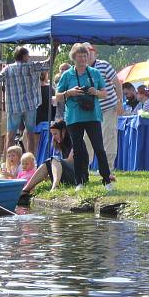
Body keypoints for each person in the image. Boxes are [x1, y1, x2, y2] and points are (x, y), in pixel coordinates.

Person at [54, 43, 112, 191]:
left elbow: (105, 93)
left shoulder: (94, 72)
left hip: (92, 115)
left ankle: (107, 180)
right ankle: (79, 181)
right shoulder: (67, 75)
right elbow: (57, 97)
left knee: (99, 148)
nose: (83, 59)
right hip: (74, 117)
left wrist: (95, 92)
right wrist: (70, 92)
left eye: (85, 56)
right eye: (80, 56)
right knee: (78, 150)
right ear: (74, 57)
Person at [0, 47, 50, 155]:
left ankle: (9, 160)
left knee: (11, 135)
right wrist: (54, 48)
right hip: (30, 105)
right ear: (23, 56)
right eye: (28, 55)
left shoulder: (8, 68)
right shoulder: (32, 66)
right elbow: (49, 63)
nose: (29, 57)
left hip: (13, 106)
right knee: (30, 135)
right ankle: (31, 159)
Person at [17, 120, 77, 202]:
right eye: (52, 134)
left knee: (54, 159)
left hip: (77, 176)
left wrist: (54, 163)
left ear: (63, 131)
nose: (53, 137)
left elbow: (70, 161)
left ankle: (55, 187)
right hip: (67, 174)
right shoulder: (61, 144)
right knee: (48, 162)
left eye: (55, 134)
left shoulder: (75, 141)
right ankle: (25, 190)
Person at [85, 44, 122, 171]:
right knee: (86, 139)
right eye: (84, 52)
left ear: (94, 53)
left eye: (89, 52)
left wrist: (119, 101)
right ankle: (85, 167)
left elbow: (117, 83)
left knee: (108, 137)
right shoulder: (80, 69)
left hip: (108, 108)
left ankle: (108, 168)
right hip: (90, 111)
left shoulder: (104, 65)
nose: (87, 54)